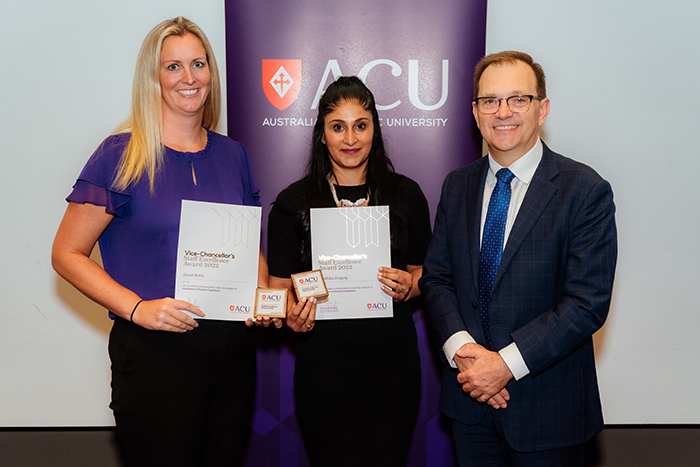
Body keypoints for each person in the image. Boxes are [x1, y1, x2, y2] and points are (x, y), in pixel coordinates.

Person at [51, 17, 266, 467]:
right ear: (154, 78)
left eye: (198, 64)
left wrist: (260, 291)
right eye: (173, 67)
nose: (189, 78)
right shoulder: (120, 154)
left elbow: (249, 247)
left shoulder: (234, 155)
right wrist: (136, 308)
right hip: (154, 357)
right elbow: (66, 254)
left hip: (232, 358)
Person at [419, 51, 617, 466]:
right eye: (489, 101)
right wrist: (463, 352)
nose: (503, 112)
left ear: (542, 109)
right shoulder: (457, 185)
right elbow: (437, 278)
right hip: (469, 404)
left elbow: (586, 303)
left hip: (548, 413)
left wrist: (504, 365)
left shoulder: (585, 190)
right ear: (475, 113)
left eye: (518, 99)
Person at [266, 76, 431, 466]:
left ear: (375, 129)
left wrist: (411, 285)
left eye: (361, 125)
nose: (350, 138)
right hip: (323, 371)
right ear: (322, 135)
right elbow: (276, 292)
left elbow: (426, 273)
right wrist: (290, 316)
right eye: (338, 127)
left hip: (394, 368)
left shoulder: (405, 195)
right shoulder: (292, 203)